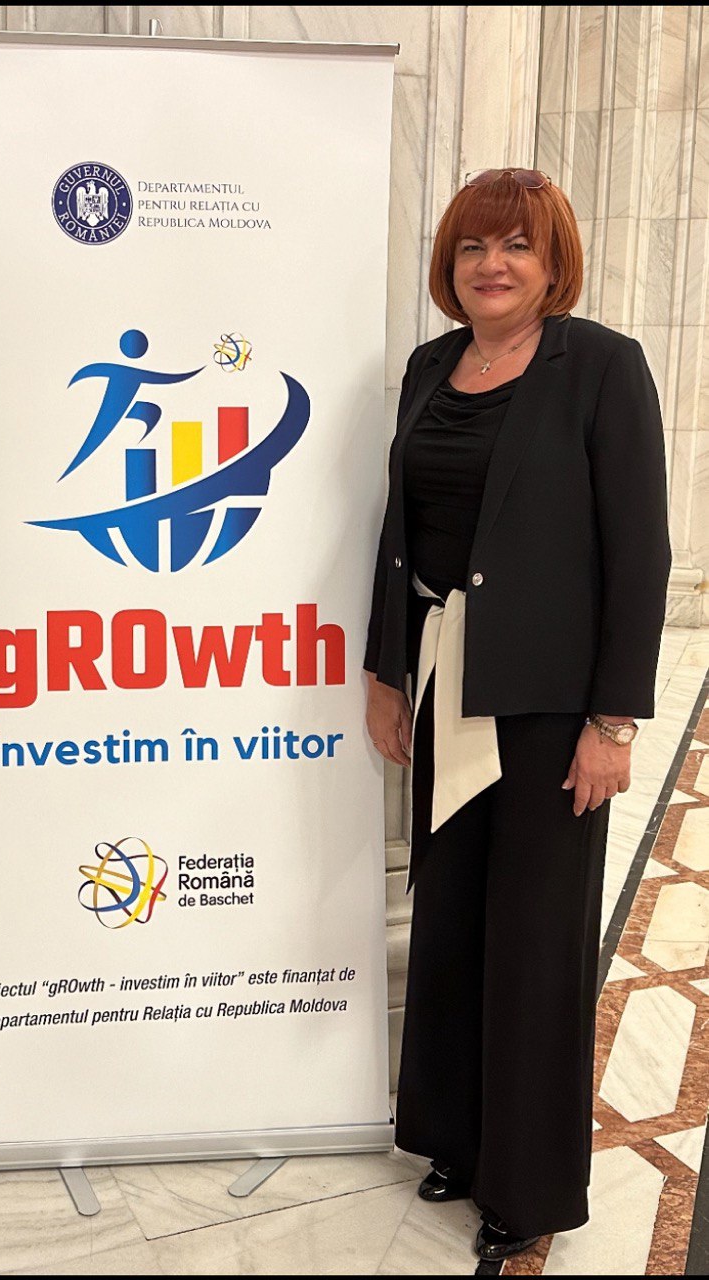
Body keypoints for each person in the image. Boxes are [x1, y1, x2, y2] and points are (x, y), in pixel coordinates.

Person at [364, 168, 670, 1262]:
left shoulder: (603, 367)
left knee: (536, 942)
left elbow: (640, 552)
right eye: (472, 247)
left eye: (516, 246)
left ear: (552, 264)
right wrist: (387, 669)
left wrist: (614, 722)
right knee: (451, 917)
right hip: (444, 681)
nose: (491, 265)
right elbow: (400, 530)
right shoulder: (430, 367)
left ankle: (526, 1182)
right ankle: (453, 1134)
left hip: (550, 706)